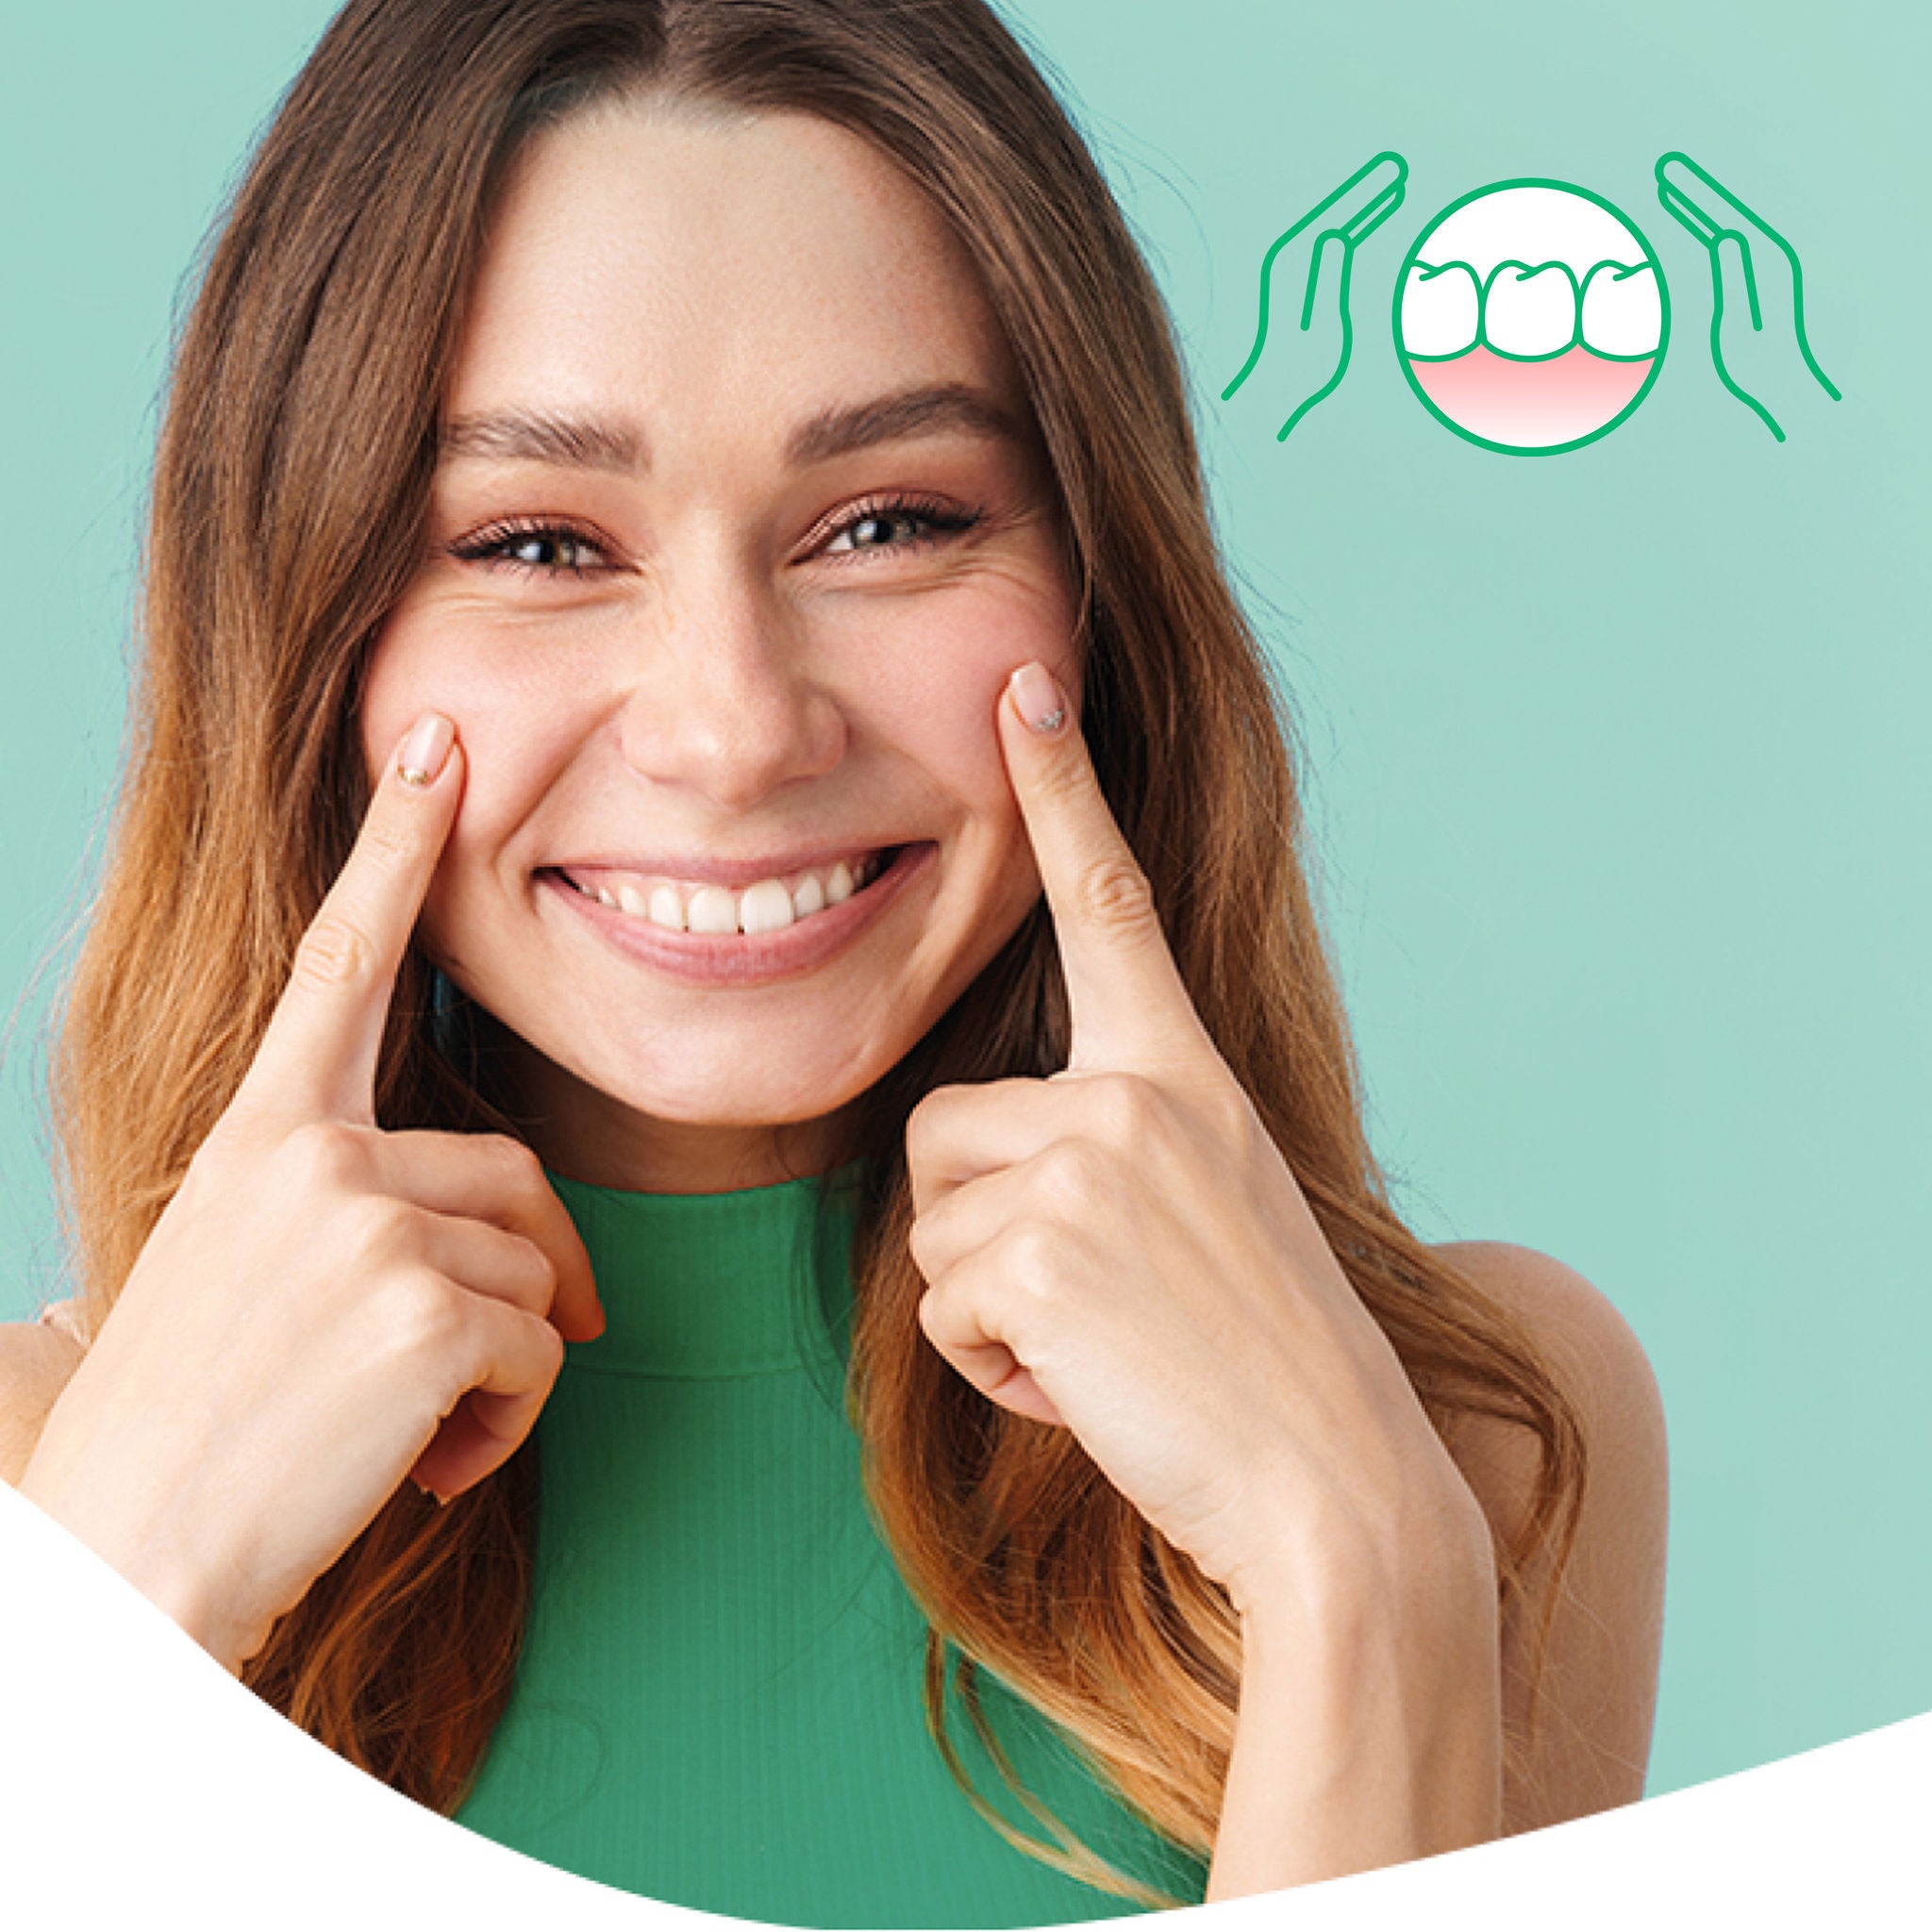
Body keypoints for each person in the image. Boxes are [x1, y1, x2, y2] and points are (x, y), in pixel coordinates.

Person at [0, 0, 1669, 1919]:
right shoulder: (46, 1484)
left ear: (1096, 591)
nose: (734, 728)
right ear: (310, 643)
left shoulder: (1480, 1431)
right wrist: (121, 1605)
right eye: (538, 543)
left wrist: (1356, 1561)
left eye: (886, 521)